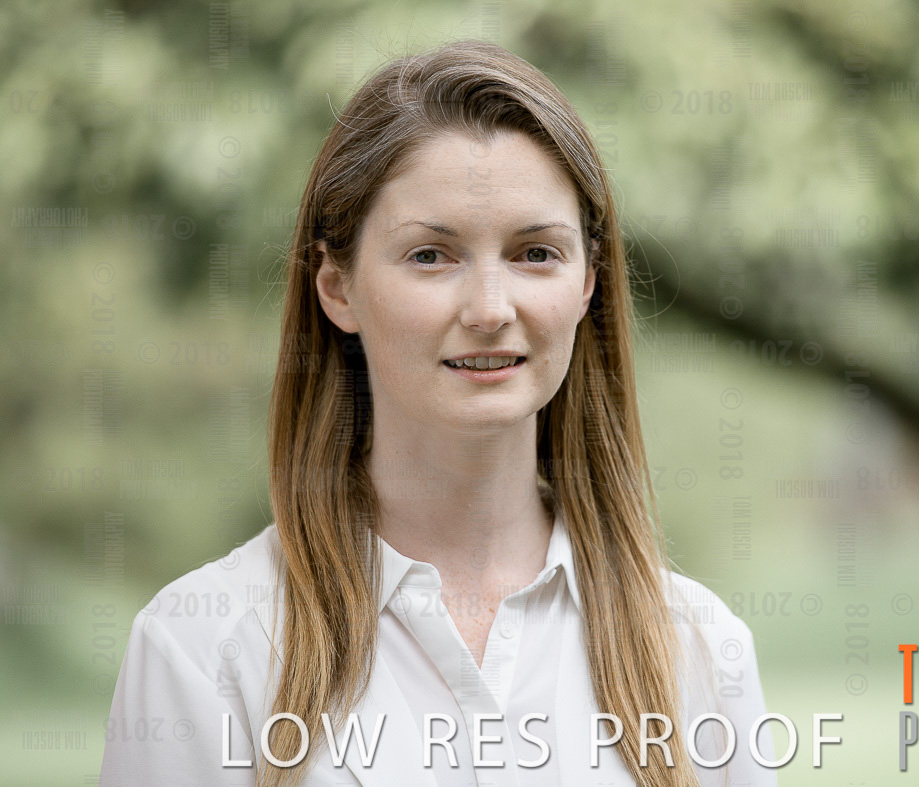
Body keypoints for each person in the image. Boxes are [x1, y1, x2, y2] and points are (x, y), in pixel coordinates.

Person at [99, 39, 776, 787]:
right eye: (430, 255)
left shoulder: (701, 652)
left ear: (588, 282)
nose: (490, 310)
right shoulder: (202, 648)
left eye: (535, 253)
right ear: (337, 287)